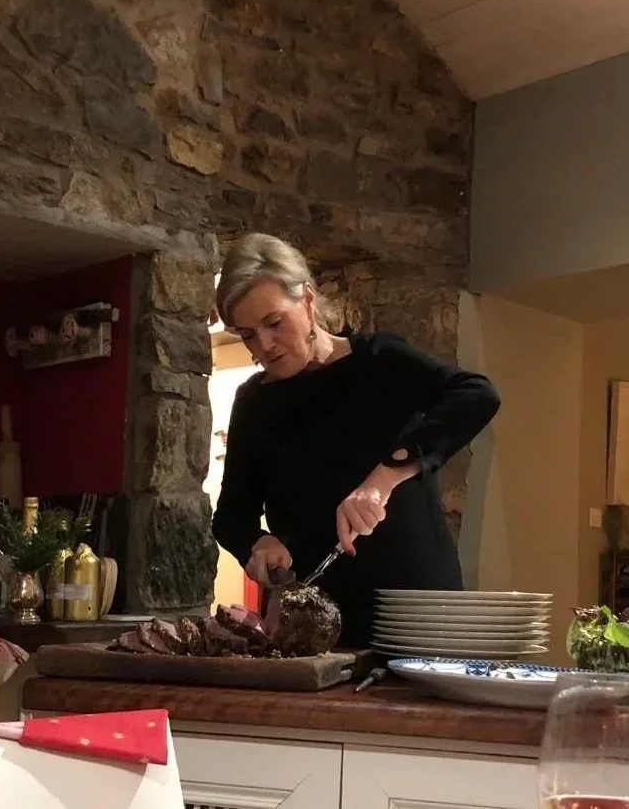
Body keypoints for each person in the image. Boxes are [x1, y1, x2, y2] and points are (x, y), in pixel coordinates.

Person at [211, 233, 501, 647]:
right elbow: (231, 517)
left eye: (274, 323)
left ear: (308, 301)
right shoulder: (254, 403)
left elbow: (477, 394)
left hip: (416, 607)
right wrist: (259, 542)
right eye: (248, 335)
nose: (264, 346)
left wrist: (385, 477)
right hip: (317, 621)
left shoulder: (379, 362)